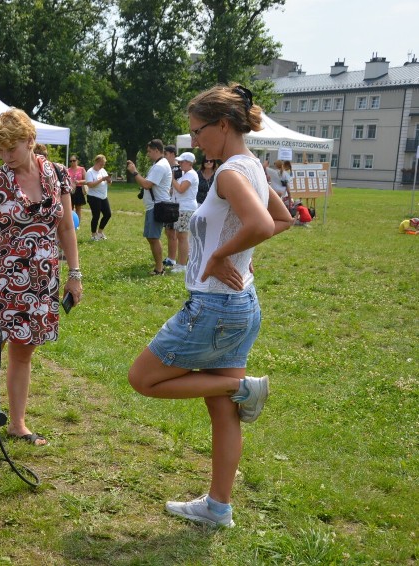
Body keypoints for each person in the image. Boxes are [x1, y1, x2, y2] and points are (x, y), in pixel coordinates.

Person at [128, 84, 293, 528]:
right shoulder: (252, 168)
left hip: (215, 308)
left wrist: (222, 256)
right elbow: (283, 219)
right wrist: (239, 251)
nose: (194, 140)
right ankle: (218, 508)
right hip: (241, 305)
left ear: (223, 125)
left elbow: (263, 222)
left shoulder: (228, 174)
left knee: (142, 378)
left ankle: (242, 388)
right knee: (222, 409)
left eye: (198, 131)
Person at [0, 108, 82, 447]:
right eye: (0, 150)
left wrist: (75, 274)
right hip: (2, 280)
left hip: (42, 278)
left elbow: (66, 227)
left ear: (30, 140)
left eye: (11, 148)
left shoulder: (59, 175)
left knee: (23, 353)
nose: (5, 156)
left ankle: (17, 424)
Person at [127, 139, 172, 275]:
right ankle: (159, 267)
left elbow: (147, 184)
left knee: (153, 237)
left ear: (157, 150)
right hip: (155, 205)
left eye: (149, 151)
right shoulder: (158, 164)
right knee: (151, 237)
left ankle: (159, 269)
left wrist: (134, 172)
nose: (148, 154)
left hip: (157, 206)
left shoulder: (160, 166)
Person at [167, 152, 199, 274]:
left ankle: (182, 264)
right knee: (180, 235)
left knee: (182, 236)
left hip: (186, 208)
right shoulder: (185, 175)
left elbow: (181, 189)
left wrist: (172, 178)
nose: (179, 164)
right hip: (181, 207)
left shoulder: (191, 175)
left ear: (189, 163)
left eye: (182, 162)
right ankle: (181, 263)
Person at [85, 154, 113, 241]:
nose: (103, 165)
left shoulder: (103, 170)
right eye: (102, 163)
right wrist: (102, 179)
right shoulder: (90, 172)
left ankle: (100, 232)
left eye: (104, 164)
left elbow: (110, 183)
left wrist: (109, 180)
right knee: (96, 216)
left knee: (108, 214)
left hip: (103, 196)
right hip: (93, 197)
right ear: (97, 162)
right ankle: (93, 235)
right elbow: (90, 185)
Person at [67, 155, 88, 226]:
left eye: (74, 160)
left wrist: (79, 182)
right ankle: (70, 223)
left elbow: (87, 180)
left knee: (78, 208)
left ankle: (78, 224)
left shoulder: (81, 169)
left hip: (79, 189)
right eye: (71, 161)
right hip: (70, 190)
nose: (72, 162)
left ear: (77, 161)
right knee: (70, 208)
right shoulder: (68, 170)